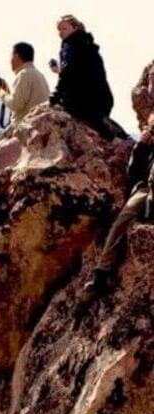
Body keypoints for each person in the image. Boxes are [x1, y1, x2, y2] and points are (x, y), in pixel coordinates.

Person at [83, 113, 154, 297]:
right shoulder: (147, 147)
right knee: (122, 219)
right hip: (145, 189)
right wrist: (141, 146)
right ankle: (101, 273)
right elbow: (133, 172)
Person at [49, 15, 114, 138]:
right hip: (100, 99)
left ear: (75, 28)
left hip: (86, 100)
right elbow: (78, 73)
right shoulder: (85, 43)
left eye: (64, 28)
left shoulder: (72, 45)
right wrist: (59, 71)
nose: (61, 32)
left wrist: (56, 95)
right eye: (59, 29)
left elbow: (69, 74)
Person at [0, 42, 50, 124]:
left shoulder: (23, 75)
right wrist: (6, 89)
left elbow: (15, 105)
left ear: (16, 57)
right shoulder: (39, 75)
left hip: (26, 127)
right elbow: (23, 101)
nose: (10, 61)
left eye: (11, 56)